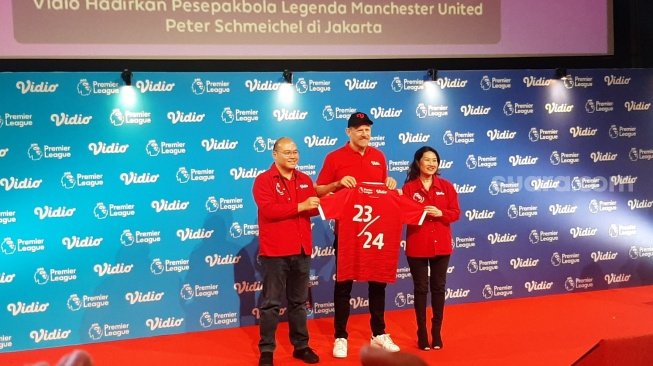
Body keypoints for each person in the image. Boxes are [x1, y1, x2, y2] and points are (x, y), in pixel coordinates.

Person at [315, 112, 399, 358]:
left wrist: (390, 182)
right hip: (349, 233)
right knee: (343, 286)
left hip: (376, 232)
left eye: (368, 129)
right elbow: (319, 190)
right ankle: (340, 337)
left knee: (378, 283)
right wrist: (338, 184)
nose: (365, 133)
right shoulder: (334, 158)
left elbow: (382, 191)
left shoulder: (379, 156)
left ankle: (378, 333)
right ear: (348, 132)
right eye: (359, 129)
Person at [252, 137, 321, 366]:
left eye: (295, 151)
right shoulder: (263, 181)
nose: (293, 156)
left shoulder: (304, 179)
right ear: (275, 154)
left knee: (299, 303)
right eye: (287, 152)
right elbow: (270, 210)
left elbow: (312, 210)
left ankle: (301, 346)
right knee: (271, 303)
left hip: (302, 251)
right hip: (275, 253)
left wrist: (329, 199)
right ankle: (267, 350)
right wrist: (301, 206)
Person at [401, 146, 460, 351]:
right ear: (418, 163)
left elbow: (455, 213)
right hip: (417, 244)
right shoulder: (409, 188)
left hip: (442, 246)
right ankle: (422, 332)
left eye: (434, 160)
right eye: (427, 160)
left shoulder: (447, 186)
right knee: (420, 289)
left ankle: (436, 332)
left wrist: (440, 213)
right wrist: (420, 213)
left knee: (438, 288)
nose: (431, 163)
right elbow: (403, 215)